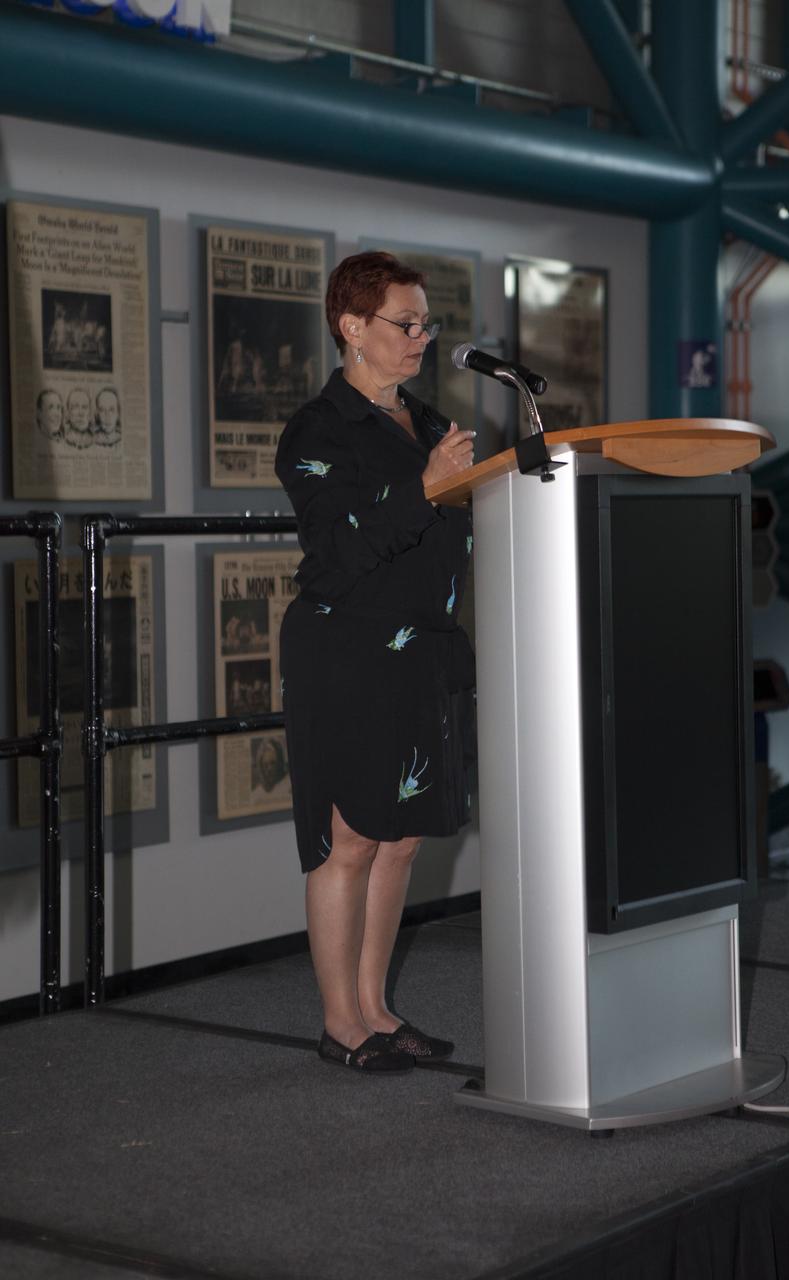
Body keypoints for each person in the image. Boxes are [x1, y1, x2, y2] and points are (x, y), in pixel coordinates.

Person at [275, 251, 476, 1074]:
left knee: (400, 841)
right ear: (351, 326)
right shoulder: (318, 430)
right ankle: (340, 1023)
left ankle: (377, 1009)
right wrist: (425, 490)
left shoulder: (428, 426)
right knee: (350, 836)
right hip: (348, 650)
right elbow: (332, 558)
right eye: (405, 322)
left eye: (426, 322)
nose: (420, 337)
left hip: (423, 649)